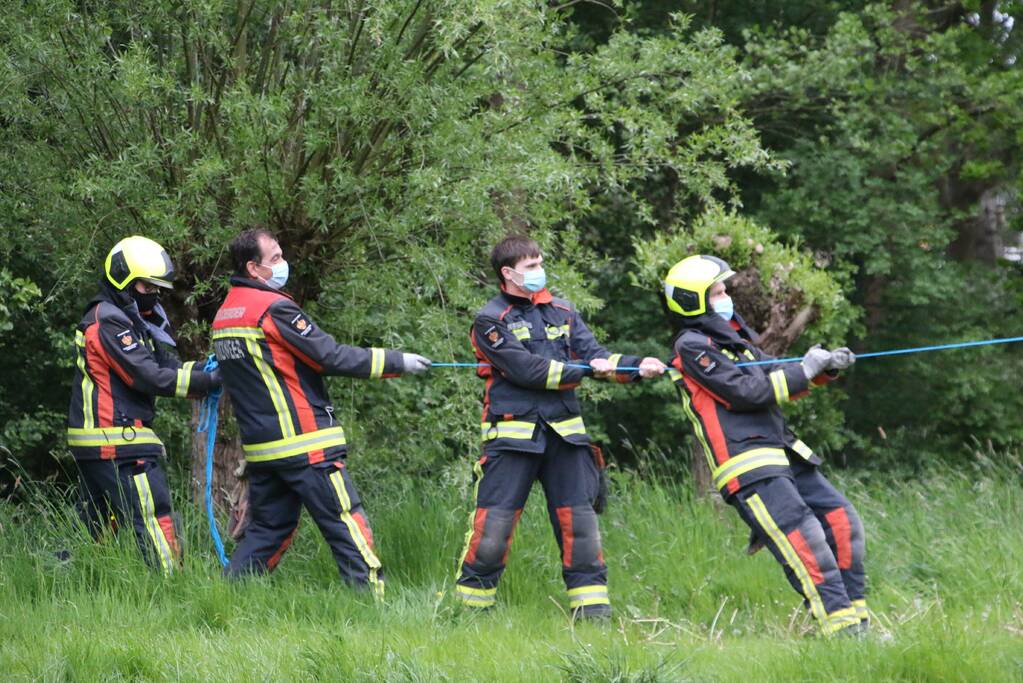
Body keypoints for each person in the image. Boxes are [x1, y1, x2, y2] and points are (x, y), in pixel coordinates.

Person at [454, 234, 666, 619]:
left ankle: (593, 616)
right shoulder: (489, 321)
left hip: (565, 439)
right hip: (512, 440)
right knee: (493, 533)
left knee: (581, 529)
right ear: (508, 273)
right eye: (530, 267)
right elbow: (528, 370)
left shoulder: (564, 312)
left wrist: (637, 367)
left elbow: (597, 356)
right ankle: (468, 614)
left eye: (539, 264)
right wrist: (585, 370)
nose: (539, 272)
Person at [212, 228, 431, 594]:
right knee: (345, 522)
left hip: (264, 451)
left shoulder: (224, 315)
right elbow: (329, 355)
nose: (284, 264)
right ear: (253, 268)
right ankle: (372, 600)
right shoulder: (274, 308)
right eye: (275, 259)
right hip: (306, 442)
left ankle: (229, 599)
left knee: (266, 531)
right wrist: (397, 361)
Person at [663, 254, 867, 637]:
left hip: (784, 453)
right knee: (804, 539)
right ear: (694, 301)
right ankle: (842, 631)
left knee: (842, 519)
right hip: (747, 462)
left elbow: (775, 372)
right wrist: (803, 371)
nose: (727, 297)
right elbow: (745, 392)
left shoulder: (736, 342)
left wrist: (824, 369)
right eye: (718, 291)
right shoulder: (691, 346)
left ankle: (859, 623)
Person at [67, 235, 220, 573]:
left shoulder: (129, 319)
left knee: (94, 525)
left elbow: (167, 369)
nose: (153, 294)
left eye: (156, 288)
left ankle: (63, 583)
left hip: (103, 441)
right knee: (153, 513)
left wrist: (209, 371)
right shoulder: (108, 320)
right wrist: (207, 383)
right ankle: (172, 585)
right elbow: (148, 376)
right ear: (123, 278)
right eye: (146, 286)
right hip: (117, 441)